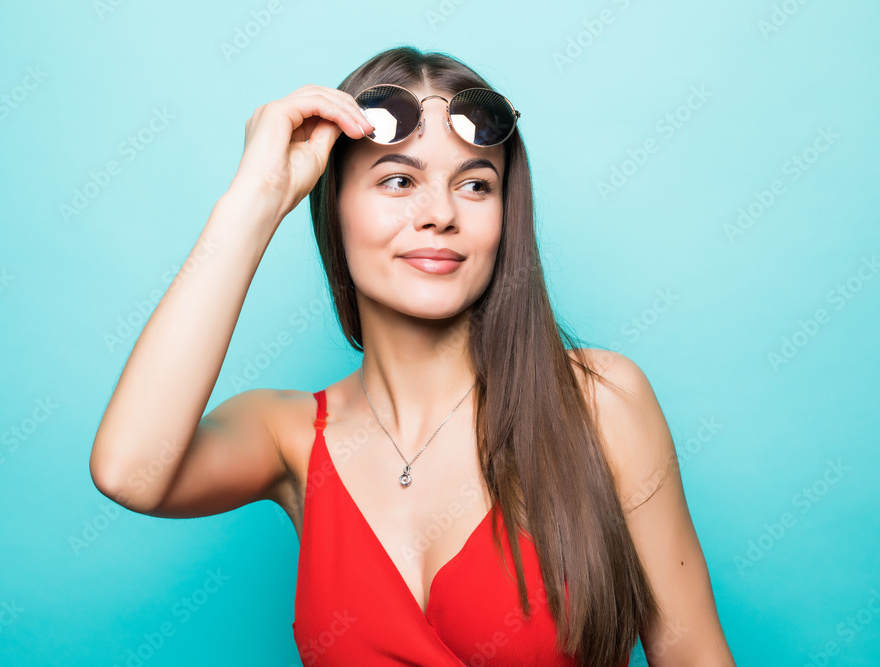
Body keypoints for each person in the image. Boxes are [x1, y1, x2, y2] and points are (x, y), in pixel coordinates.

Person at [89, 45, 736, 666]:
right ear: (333, 205)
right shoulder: (288, 435)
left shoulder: (601, 402)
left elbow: (696, 655)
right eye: (399, 179)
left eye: (475, 184)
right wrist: (256, 200)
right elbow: (130, 470)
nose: (440, 213)